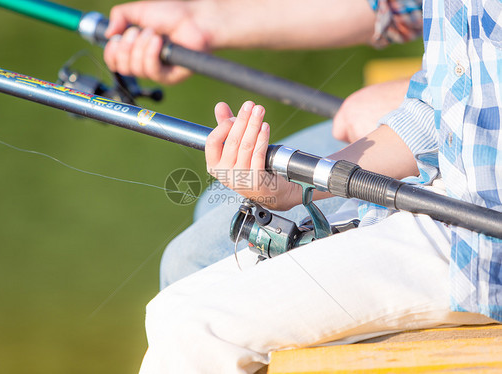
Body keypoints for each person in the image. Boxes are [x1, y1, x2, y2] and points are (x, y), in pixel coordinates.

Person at [104, 0, 502, 373]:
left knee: (192, 327)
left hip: (481, 243)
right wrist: (295, 189)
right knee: (171, 311)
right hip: (446, 194)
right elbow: (436, 109)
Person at [103, 0, 423, 288]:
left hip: (445, 131)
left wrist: (408, 99)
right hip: (420, 101)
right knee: (215, 202)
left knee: (190, 262)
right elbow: (395, 6)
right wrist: (199, 19)